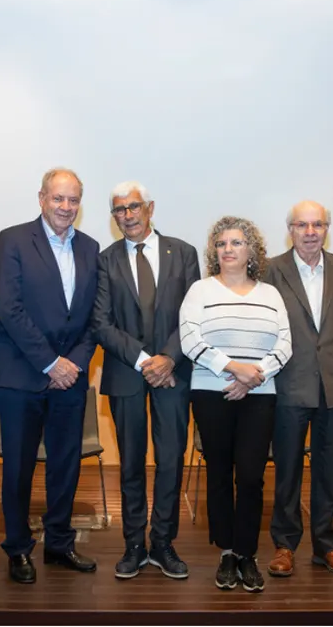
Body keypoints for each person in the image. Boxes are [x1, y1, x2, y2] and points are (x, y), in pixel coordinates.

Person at [0, 168, 100, 584]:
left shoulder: (91, 248)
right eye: (58, 199)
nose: (66, 207)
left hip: (71, 378)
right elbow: (9, 307)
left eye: (73, 200)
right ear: (41, 198)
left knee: (65, 466)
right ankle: (18, 548)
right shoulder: (14, 239)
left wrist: (71, 363)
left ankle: (59, 543)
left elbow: (95, 316)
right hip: (22, 375)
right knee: (17, 467)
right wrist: (50, 363)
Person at [92, 181, 200, 580]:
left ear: (150, 208)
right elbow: (101, 322)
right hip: (126, 374)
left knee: (170, 460)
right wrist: (144, 360)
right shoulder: (105, 261)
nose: (127, 215)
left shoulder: (184, 253)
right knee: (131, 464)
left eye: (134, 206)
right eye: (119, 210)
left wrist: (168, 359)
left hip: (174, 374)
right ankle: (134, 544)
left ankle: (163, 543)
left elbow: (193, 315)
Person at [180, 216, 292, 593]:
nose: (228, 249)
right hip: (211, 393)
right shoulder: (199, 290)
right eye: (222, 243)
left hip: (259, 396)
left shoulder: (270, 294)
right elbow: (190, 340)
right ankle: (227, 552)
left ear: (251, 251)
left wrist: (254, 375)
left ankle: (248, 554)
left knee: (250, 476)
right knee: (218, 474)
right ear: (215, 251)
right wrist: (234, 369)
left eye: (236, 242)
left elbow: (285, 346)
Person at [264, 201, 333, 579]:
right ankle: (285, 545)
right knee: (287, 469)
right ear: (290, 229)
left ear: (327, 229)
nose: (310, 232)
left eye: (318, 224)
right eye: (302, 225)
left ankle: (326, 546)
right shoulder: (273, 269)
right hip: (289, 385)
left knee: (328, 472)